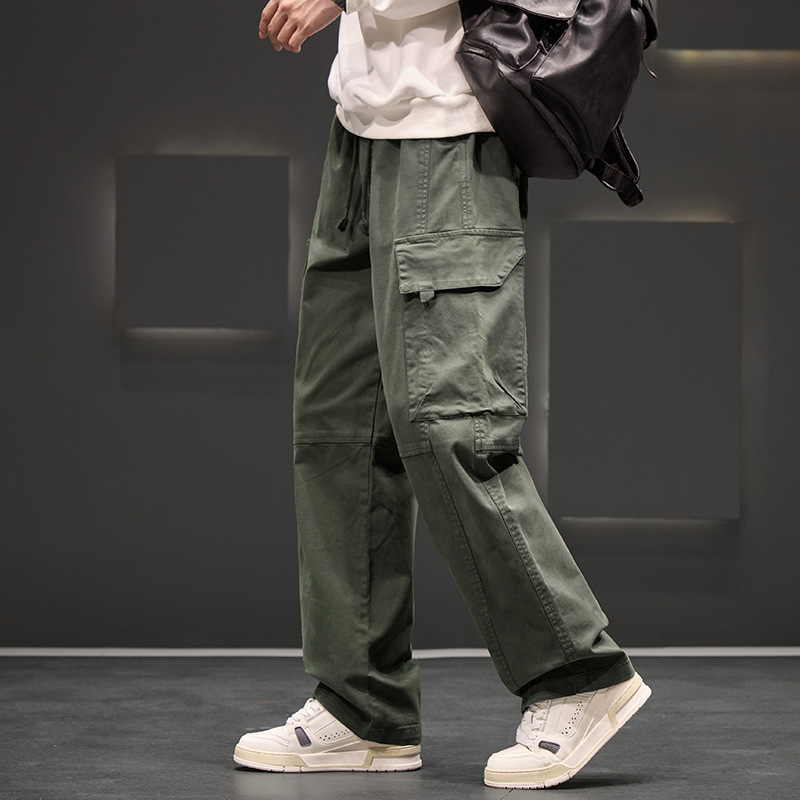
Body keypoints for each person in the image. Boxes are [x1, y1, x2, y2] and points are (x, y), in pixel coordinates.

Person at [233, 0, 651, 789]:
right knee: (340, 427)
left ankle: (578, 674)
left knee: (452, 420)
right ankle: (362, 704)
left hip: (451, 132)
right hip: (361, 130)